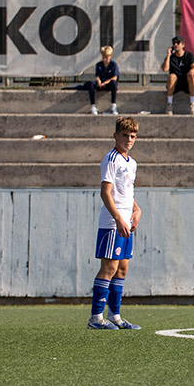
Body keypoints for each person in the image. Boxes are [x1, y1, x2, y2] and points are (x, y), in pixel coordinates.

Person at [87, 116, 143, 331]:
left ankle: (115, 316)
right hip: (113, 223)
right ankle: (95, 318)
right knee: (109, 268)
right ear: (116, 136)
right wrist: (119, 218)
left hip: (125, 222)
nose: (129, 140)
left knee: (122, 269)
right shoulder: (111, 159)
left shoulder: (132, 162)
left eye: (133, 136)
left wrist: (136, 209)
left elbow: (125, 192)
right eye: (125, 136)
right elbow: (106, 192)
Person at [162, 36, 194, 114]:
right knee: (171, 76)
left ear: (183, 45)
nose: (176, 45)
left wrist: (192, 71)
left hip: (187, 83)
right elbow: (165, 69)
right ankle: (169, 104)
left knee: (192, 76)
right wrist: (168, 55)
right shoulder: (171, 57)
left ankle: (192, 104)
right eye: (174, 43)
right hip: (176, 84)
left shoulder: (189, 56)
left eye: (178, 43)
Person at [84, 46, 119, 115]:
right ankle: (93, 106)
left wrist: (105, 83)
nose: (105, 59)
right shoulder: (99, 65)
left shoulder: (113, 65)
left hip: (108, 84)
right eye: (103, 57)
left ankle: (113, 105)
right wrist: (99, 81)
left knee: (114, 83)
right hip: (101, 84)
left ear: (110, 56)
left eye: (107, 57)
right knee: (90, 84)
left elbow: (114, 77)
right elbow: (97, 76)